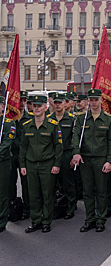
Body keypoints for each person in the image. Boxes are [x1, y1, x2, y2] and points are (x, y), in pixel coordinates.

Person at [72, 89, 111, 232]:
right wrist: (76, 153)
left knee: (102, 191)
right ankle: (89, 219)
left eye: (96, 99)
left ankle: (101, 219)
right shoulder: (81, 118)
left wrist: (109, 160)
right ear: (88, 101)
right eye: (91, 100)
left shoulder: (108, 119)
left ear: (101, 100)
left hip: (101, 159)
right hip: (85, 160)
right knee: (88, 191)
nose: (94, 102)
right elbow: (75, 137)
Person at [20, 95, 62, 233]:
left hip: (47, 164)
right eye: (34, 106)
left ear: (45, 107)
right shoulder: (27, 126)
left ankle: (46, 221)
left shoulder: (53, 125)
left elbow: (58, 146)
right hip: (31, 164)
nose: (36, 108)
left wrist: (57, 164)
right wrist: (22, 165)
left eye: (39, 106)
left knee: (47, 194)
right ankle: (35, 221)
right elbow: (23, 147)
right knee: (33, 194)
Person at [48, 93, 77, 220]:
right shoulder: (49, 118)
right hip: (52, 155)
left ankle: (71, 207)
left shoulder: (71, 119)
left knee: (68, 182)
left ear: (65, 103)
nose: (58, 105)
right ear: (53, 103)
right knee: (53, 183)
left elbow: (74, 139)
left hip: (66, 154)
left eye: (60, 102)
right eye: (56, 103)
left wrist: (73, 156)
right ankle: (56, 207)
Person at [9, 91, 32, 220]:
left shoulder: (29, 119)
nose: (22, 103)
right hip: (11, 154)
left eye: (25, 101)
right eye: (20, 100)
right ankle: (12, 207)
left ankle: (27, 208)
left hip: (25, 155)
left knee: (26, 183)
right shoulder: (10, 118)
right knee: (11, 183)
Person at [0, 96, 17, 233]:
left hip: (3, 162)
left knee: (2, 192)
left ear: (2, 107)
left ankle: (2, 220)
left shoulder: (8, 123)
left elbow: (7, 143)